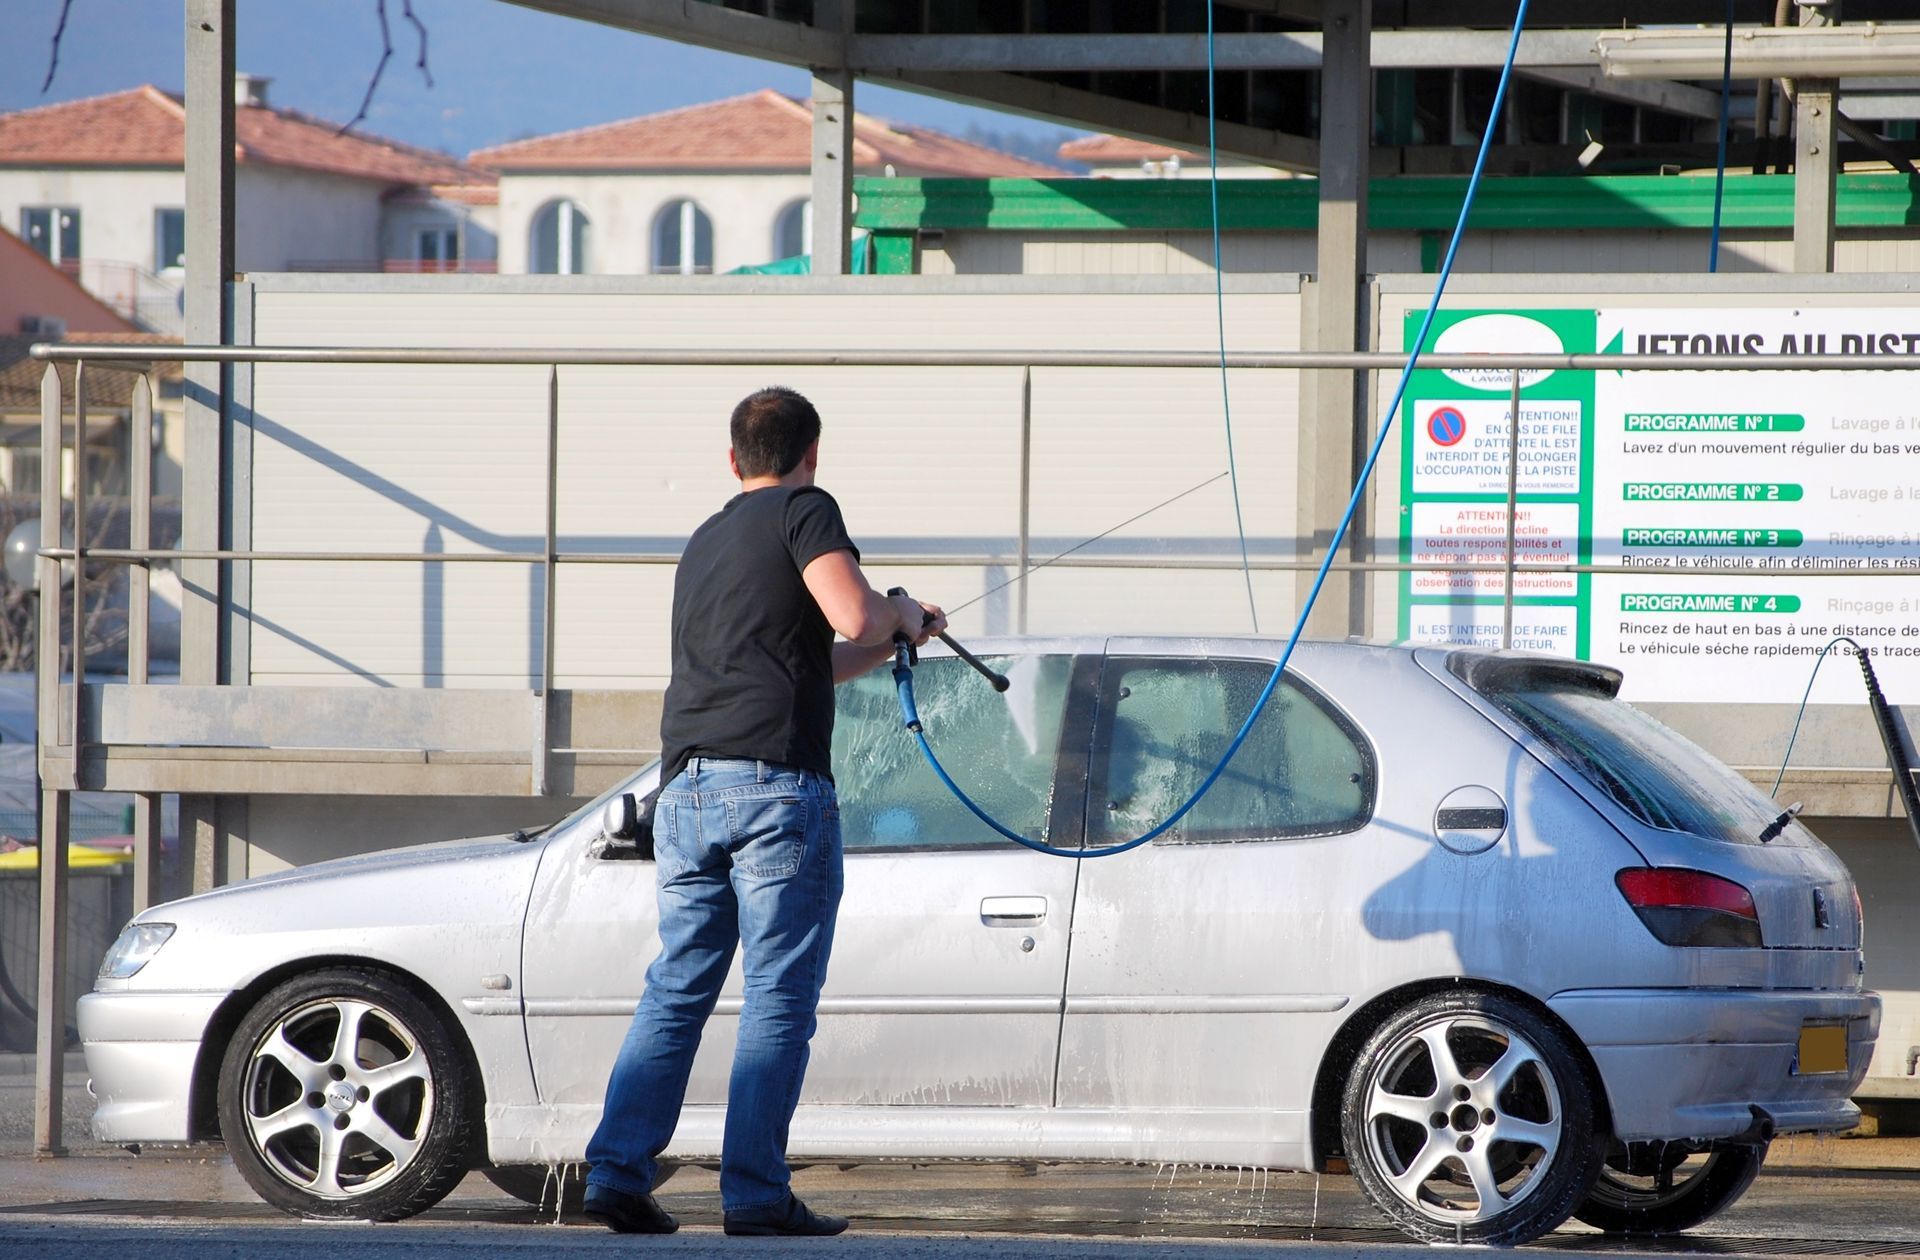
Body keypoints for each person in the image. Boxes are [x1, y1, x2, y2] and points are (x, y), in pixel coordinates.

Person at [582, 386, 945, 1238]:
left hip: (686, 792)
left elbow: (815, 656)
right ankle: (753, 1193)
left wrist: (893, 640)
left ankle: (617, 1172)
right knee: (778, 995)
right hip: (774, 791)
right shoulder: (806, 509)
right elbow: (853, 611)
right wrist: (899, 614)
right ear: (810, 455)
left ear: (732, 458)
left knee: (676, 988)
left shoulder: (706, 539)